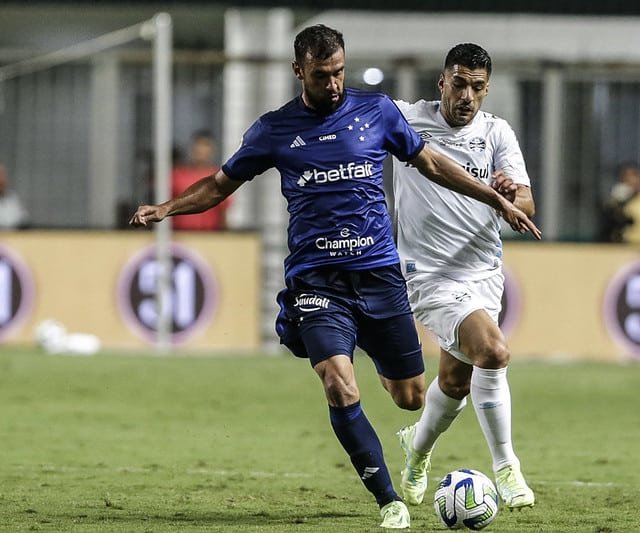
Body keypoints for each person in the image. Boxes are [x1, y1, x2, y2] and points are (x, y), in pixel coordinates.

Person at [129, 25, 538, 529]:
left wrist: (497, 197)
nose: (335, 83)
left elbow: (433, 163)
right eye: (323, 75)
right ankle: (392, 499)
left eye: (340, 71)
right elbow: (219, 184)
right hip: (319, 281)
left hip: (379, 276)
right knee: (341, 384)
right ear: (299, 71)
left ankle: (414, 440)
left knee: (411, 396)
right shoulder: (274, 130)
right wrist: (169, 207)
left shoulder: (377, 112)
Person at [391, 43, 538, 510]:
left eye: (477, 87)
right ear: (442, 82)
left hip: (483, 273)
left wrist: (511, 194)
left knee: (455, 382)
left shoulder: (497, 133)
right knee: (493, 352)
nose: (467, 95)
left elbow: (528, 205)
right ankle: (507, 468)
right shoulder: (406, 119)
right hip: (429, 275)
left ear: (486, 89)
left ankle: (416, 454)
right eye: (459, 83)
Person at [171, 130, 231, 231]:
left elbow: (223, 212)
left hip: (209, 236)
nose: (201, 151)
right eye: (198, 146)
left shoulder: (220, 176)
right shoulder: (177, 175)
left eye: (205, 146)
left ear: (212, 150)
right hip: (180, 236)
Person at [598, 163, 640, 244]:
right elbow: (608, 227)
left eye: (634, 176)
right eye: (626, 178)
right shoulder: (614, 202)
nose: (631, 180)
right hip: (622, 246)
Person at [0, 164, 30, 230]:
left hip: (14, 237)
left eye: (3, 175)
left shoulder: (13, 198)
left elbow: (23, 220)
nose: (2, 180)